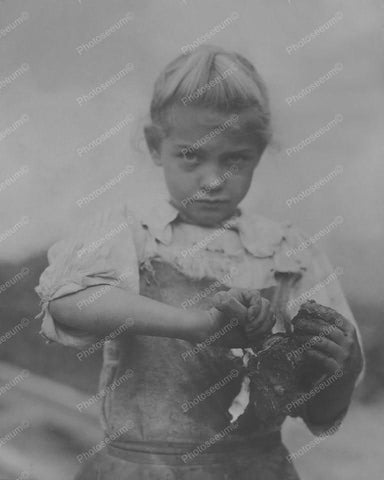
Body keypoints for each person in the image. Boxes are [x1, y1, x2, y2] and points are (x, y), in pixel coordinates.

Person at [35, 45, 364, 479]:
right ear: (156, 145)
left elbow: (321, 412)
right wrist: (197, 325)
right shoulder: (130, 233)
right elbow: (67, 301)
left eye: (235, 159)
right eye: (191, 154)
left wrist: (344, 364)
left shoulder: (288, 253)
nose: (212, 181)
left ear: (259, 152)